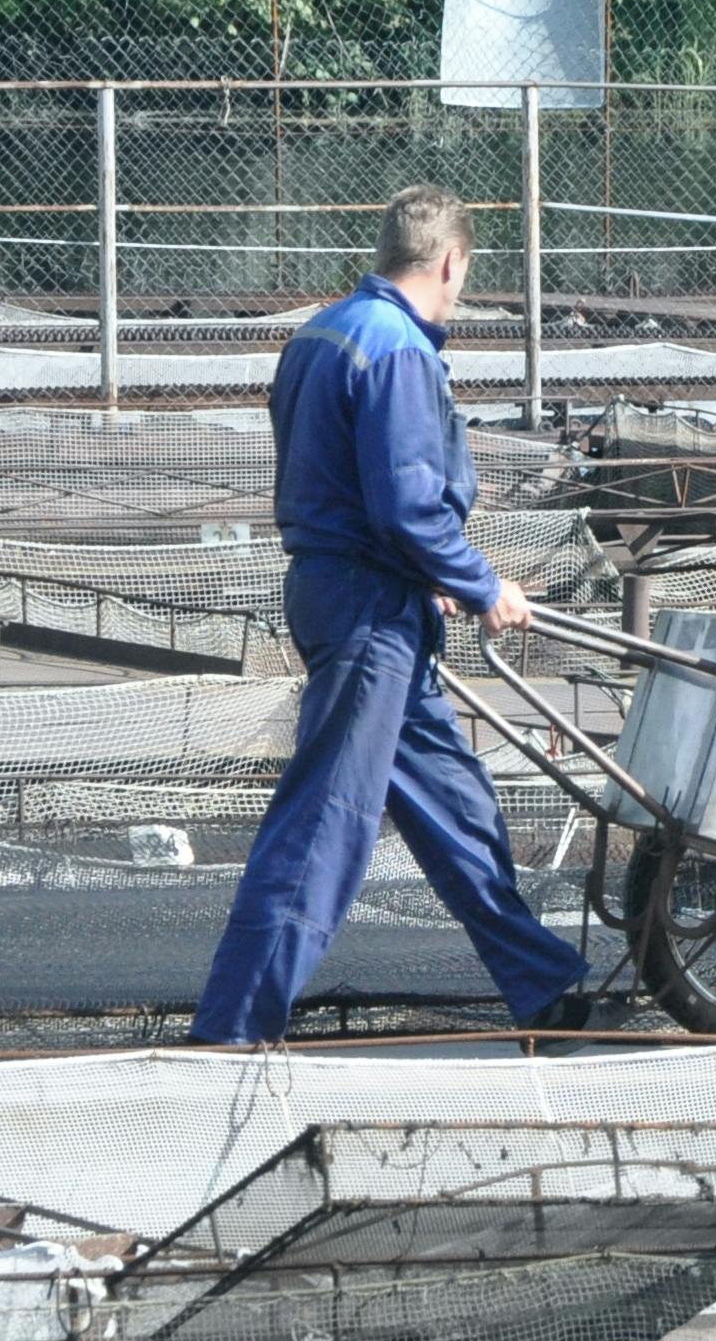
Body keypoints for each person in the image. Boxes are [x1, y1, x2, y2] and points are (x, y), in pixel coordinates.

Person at [189, 186, 609, 1045]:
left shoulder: (321, 331)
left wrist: (426, 571)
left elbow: (344, 478)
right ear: (451, 261)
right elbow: (408, 506)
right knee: (325, 825)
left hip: (351, 590)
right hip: (370, 608)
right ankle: (231, 1029)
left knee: (453, 805)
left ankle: (542, 983)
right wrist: (485, 584)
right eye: (465, 276)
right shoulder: (399, 351)